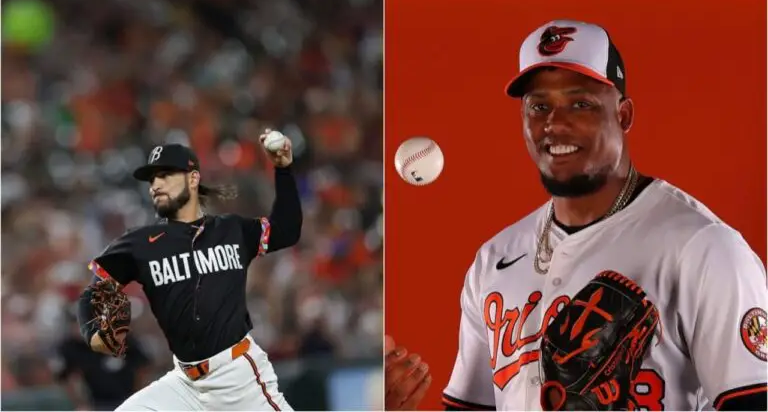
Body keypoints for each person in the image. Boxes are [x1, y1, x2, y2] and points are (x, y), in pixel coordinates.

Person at [385, 20, 767, 411]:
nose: (555, 123)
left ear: (624, 115)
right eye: (539, 106)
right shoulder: (494, 260)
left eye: (580, 103)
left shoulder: (703, 248)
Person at [77, 129, 302, 411]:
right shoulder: (140, 244)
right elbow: (93, 291)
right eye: (152, 178)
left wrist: (283, 170)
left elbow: (287, 230)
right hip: (185, 384)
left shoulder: (231, 230)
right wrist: (93, 333)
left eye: (165, 175)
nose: (156, 184)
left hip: (238, 378)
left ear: (193, 178)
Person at [56, 305, 152, 410]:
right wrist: (80, 404)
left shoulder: (125, 341)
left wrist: (138, 398)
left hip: (126, 399)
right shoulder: (74, 348)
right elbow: (69, 378)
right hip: (95, 403)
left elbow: (142, 369)